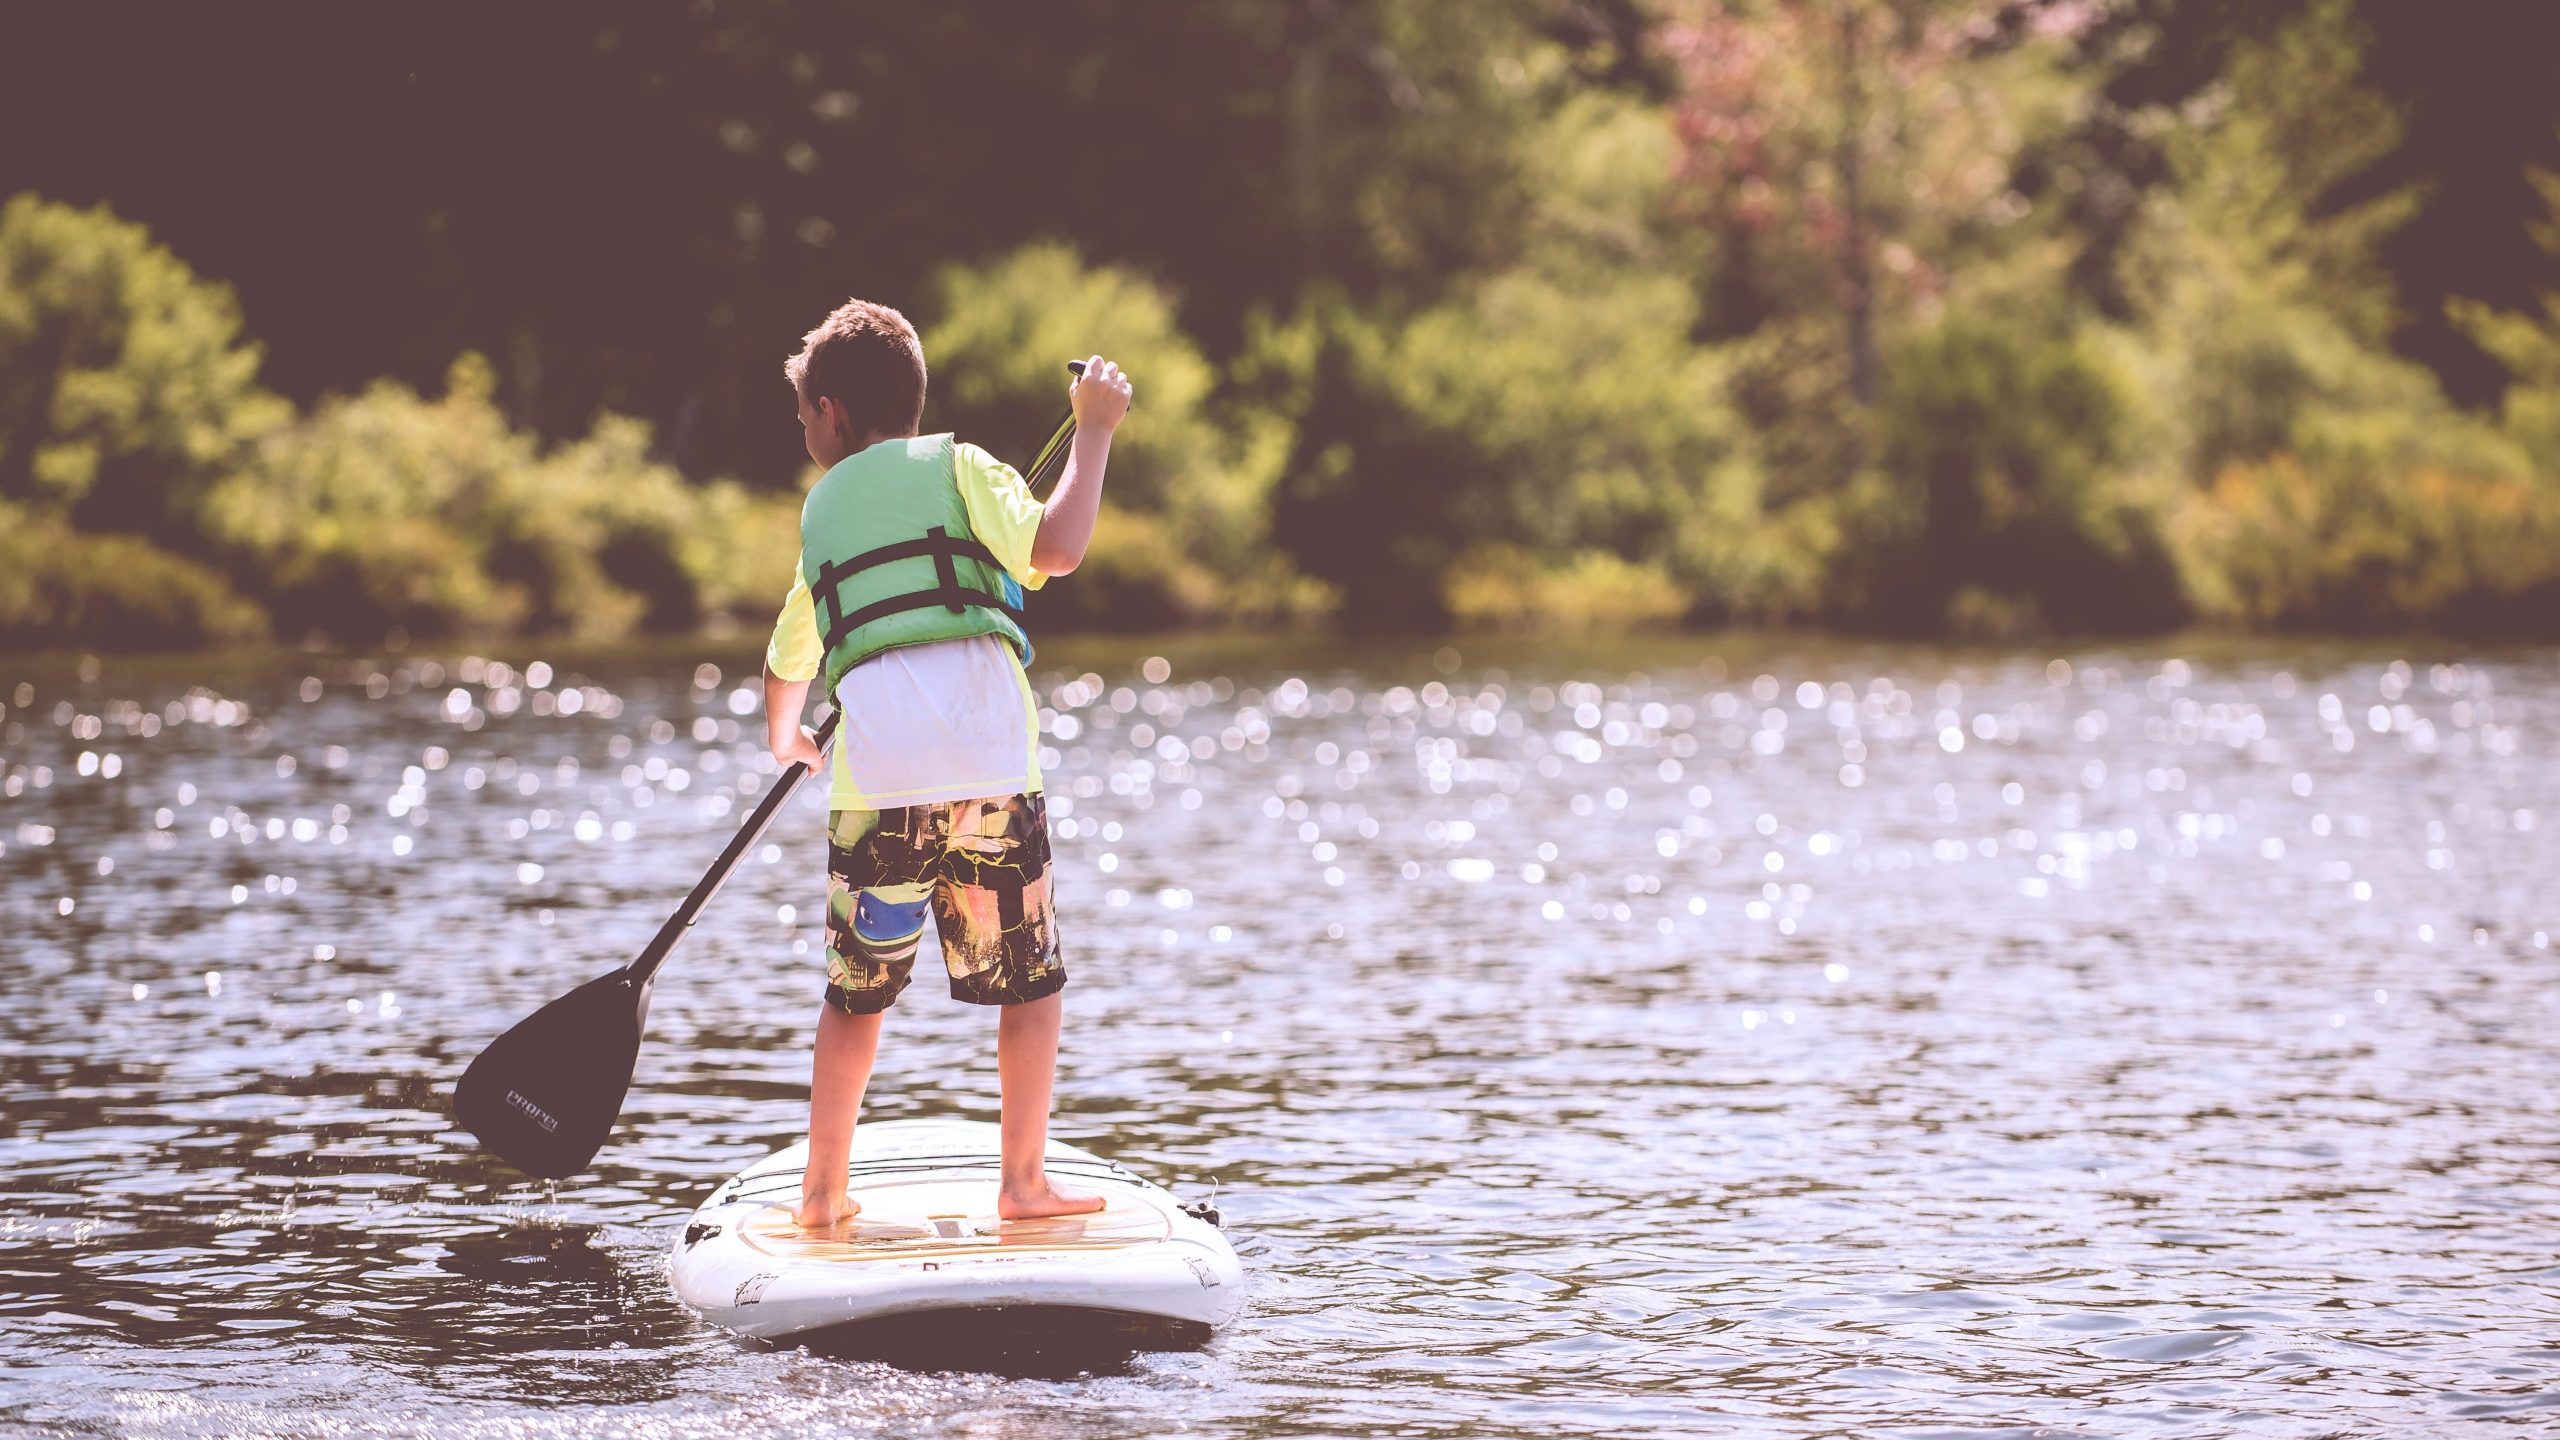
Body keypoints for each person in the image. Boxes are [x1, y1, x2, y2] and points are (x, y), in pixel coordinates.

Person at [760, 297, 1130, 1227]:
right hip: (992, 777)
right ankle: (1023, 1185)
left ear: (833, 413)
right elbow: (1060, 546)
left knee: (857, 998)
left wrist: (786, 737)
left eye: (804, 412)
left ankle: (820, 1195)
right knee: (1030, 983)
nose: (803, 429)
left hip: (878, 790)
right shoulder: (964, 468)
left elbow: (788, 658)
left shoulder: (821, 513)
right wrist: (1093, 436)